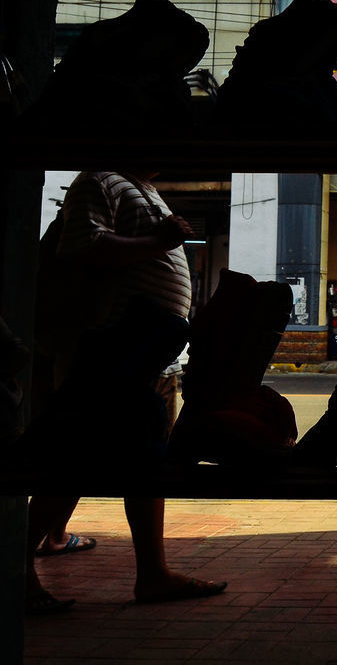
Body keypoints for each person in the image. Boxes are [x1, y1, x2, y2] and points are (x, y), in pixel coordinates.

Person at [25, 170, 227, 613]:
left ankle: (152, 574)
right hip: (114, 342)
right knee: (78, 451)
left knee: (134, 449)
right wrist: (159, 242)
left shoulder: (143, 187)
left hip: (137, 347)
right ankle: (17, 569)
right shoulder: (100, 180)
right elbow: (82, 246)